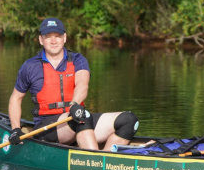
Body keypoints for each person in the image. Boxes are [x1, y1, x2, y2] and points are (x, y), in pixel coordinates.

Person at [8, 17, 139, 151]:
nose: (53, 41)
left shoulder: (78, 60)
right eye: (48, 37)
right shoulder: (30, 66)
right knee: (81, 117)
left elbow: (82, 84)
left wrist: (74, 105)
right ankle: (94, 160)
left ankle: (106, 159)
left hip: (76, 117)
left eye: (57, 36)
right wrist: (16, 129)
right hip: (46, 128)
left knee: (129, 120)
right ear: (41, 40)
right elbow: (15, 99)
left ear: (64, 38)